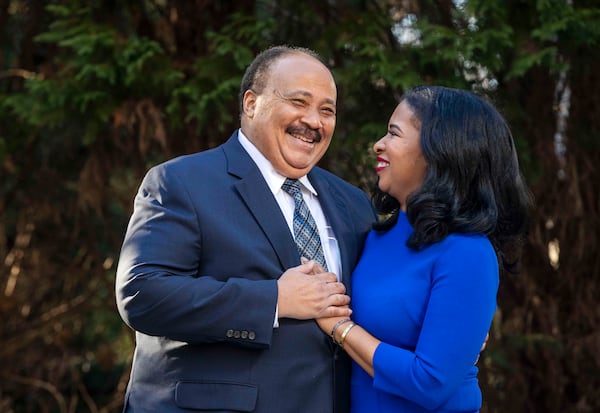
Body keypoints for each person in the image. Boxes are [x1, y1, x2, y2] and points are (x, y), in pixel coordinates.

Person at [115, 45, 376, 412]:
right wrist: (275, 300)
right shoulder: (181, 181)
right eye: (299, 102)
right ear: (251, 104)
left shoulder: (354, 204)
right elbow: (142, 295)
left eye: (327, 110)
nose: (315, 121)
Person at [316, 85, 531, 412]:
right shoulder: (373, 235)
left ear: (438, 151)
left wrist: (339, 327)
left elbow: (430, 382)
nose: (378, 145)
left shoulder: (467, 253)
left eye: (393, 134)